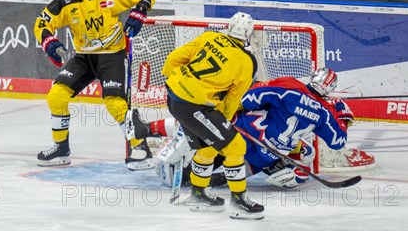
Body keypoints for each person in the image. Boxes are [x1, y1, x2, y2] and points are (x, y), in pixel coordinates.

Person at [130, 68, 375, 189]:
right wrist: (341, 114)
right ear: (329, 91)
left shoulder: (291, 88)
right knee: (297, 156)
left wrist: (243, 102)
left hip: (247, 133)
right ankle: (202, 180)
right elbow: (338, 142)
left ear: (313, 77)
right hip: (267, 155)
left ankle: (148, 128)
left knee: (203, 122)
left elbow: (250, 99)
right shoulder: (326, 113)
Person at [33, 0, 156, 170]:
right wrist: (49, 43)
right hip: (84, 57)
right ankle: (61, 149)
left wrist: (139, 13)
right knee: (57, 96)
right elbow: (42, 22)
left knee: (115, 105)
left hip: (112, 56)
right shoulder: (66, 2)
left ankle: (141, 149)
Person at [159, 12, 264, 219]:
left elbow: (173, 59)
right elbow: (234, 99)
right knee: (236, 146)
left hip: (174, 97)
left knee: (208, 148)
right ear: (249, 34)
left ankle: (198, 194)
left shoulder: (209, 37)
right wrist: (223, 119)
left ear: (229, 27)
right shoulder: (247, 61)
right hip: (194, 106)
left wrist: (176, 85)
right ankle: (239, 201)